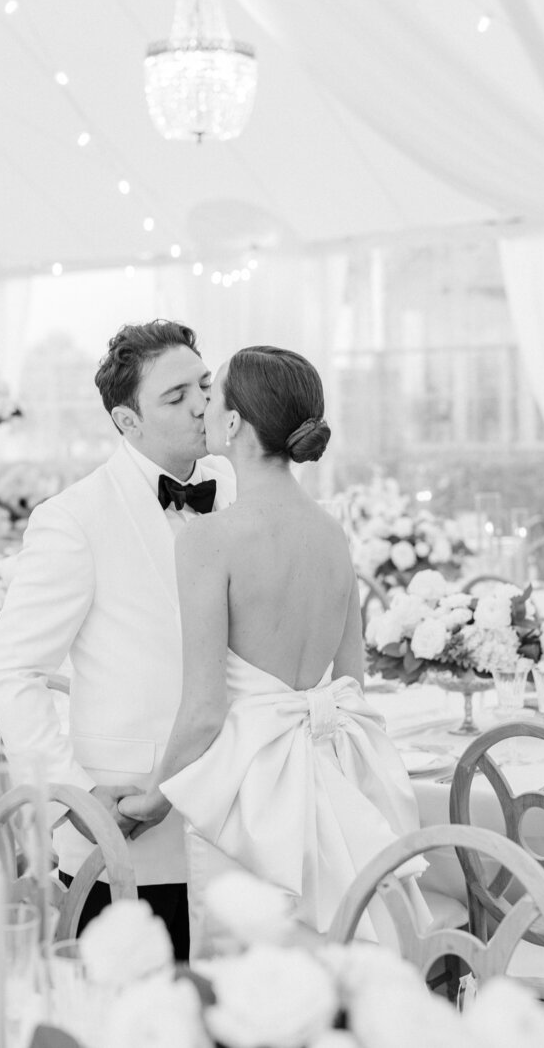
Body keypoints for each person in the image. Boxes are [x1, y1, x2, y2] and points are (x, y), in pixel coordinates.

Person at [120, 345, 427, 956]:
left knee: (253, 977)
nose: (203, 405)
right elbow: (351, 682)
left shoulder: (211, 539)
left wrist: (154, 799)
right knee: (332, 963)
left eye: (213, 395)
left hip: (254, 802)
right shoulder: (333, 531)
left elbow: (206, 708)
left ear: (233, 425)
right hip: (334, 775)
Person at [0, 319, 235, 960]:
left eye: (204, 385)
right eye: (175, 397)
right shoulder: (74, 518)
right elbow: (12, 672)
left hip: (236, 828)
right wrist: (74, 797)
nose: (203, 404)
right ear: (127, 422)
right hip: (126, 835)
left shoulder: (239, 490)